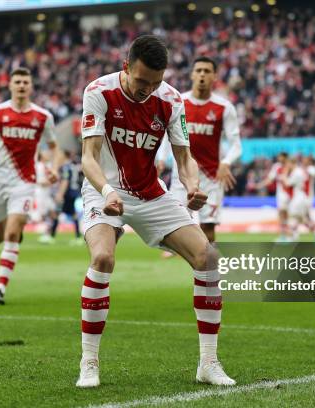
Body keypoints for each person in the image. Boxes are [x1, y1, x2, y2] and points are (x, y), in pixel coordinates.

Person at [75, 34, 235, 388]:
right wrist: (106, 191)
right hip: (105, 188)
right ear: (126, 67)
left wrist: (193, 185)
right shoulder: (98, 92)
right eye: (141, 80)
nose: (147, 89)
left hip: (150, 193)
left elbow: (183, 157)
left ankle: (208, 363)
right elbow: (88, 157)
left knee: (208, 257)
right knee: (102, 259)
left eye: (155, 82)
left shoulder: (171, 100)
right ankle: (89, 362)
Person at [0, 67, 59, 305]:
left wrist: (53, 168)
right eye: (18, 82)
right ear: (11, 86)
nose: (22, 85)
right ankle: (14, 230)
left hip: (24, 181)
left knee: (11, 234)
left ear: (31, 86)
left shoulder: (43, 117)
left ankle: (0, 288)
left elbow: (53, 147)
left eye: (25, 82)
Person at [157, 56, 241, 244]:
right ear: (192, 75)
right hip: (183, 174)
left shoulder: (224, 107)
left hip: (211, 177)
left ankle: (207, 269)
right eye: (199, 70)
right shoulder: (179, 103)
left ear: (214, 77)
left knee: (208, 228)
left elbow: (236, 144)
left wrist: (226, 163)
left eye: (207, 71)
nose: (202, 74)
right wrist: (161, 158)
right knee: (178, 225)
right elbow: (165, 134)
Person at [256, 152, 291, 241]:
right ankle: (284, 235)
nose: (279, 158)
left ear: (285, 157)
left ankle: (289, 235)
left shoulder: (290, 166)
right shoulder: (277, 166)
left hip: (290, 194)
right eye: (279, 157)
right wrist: (259, 185)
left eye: (281, 157)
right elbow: (270, 179)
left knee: (287, 215)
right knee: (281, 214)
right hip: (281, 194)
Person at [52, 150, 83, 245]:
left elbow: (65, 181)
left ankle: (51, 236)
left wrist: (60, 194)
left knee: (57, 212)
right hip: (73, 192)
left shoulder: (65, 166)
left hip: (67, 193)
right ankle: (78, 237)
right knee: (70, 213)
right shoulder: (71, 165)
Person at [35, 150, 59, 244]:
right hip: (40, 193)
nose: (48, 154)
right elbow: (38, 181)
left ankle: (48, 234)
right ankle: (45, 234)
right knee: (44, 214)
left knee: (52, 212)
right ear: (41, 156)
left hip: (48, 193)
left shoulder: (48, 166)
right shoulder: (38, 166)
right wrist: (49, 182)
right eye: (46, 153)